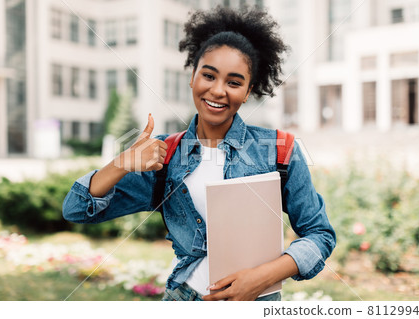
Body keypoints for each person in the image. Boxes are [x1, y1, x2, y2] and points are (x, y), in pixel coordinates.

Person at [62, 6, 335, 301]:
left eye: (234, 82)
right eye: (209, 76)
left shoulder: (280, 150)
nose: (218, 91)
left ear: (247, 91)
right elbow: (77, 210)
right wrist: (123, 163)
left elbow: (320, 235)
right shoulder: (164, 157)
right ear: (192, 77)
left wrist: (261, 278)